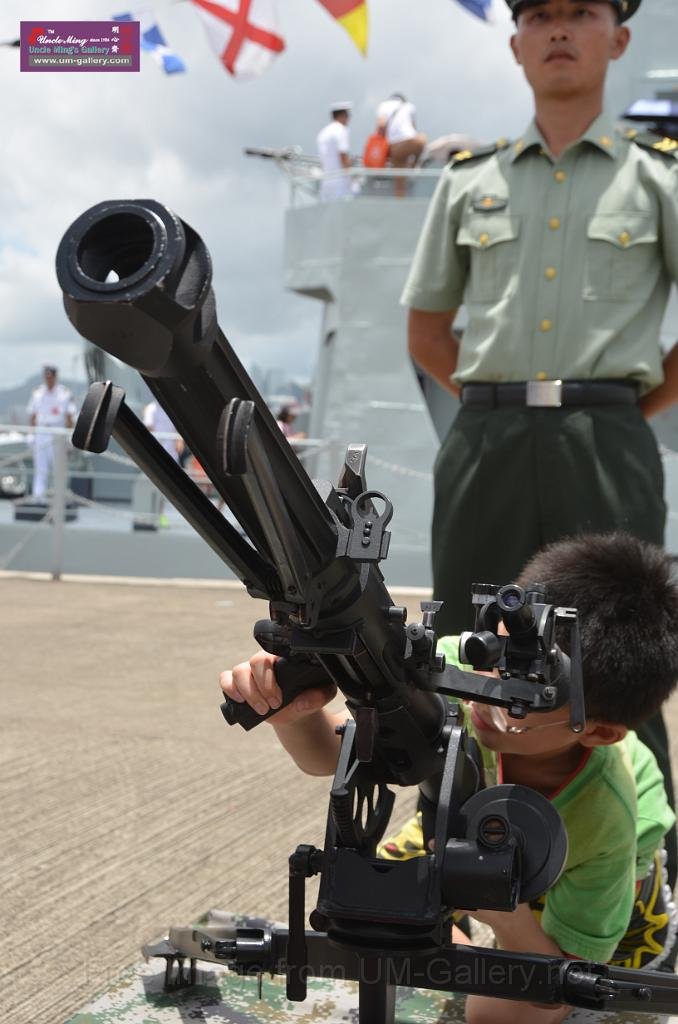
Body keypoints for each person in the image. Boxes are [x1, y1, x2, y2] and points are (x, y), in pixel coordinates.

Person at [400, 0, 678, 888]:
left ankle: (646, 869)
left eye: (582, 12)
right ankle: (444, 844)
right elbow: (428, 331)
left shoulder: (659, 179)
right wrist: (497, 405)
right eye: (541, 14)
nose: (561, 28)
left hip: (607, 433)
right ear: (517, 40)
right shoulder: (468, 180)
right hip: (488, 434)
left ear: (618, 37)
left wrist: (622, 409)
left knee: (624, 648)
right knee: (462, 637)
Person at [221, 532, 678, 1023]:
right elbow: (332, 752)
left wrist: (497, 913)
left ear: (599, 732)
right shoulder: (457, 664)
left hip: (599, 901)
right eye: (496, 657)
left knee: (496, 1016)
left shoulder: (607, 819)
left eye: (527, 690)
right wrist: (296, 714)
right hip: (464, 831)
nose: (486, 693)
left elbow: (556, 981)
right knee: (384, 917)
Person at [26, 365, 76, 501]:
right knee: (40, 467)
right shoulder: (37, 393)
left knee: (58, 467)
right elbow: (33, 415)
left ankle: (59, 497)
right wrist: (32, 433)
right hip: (41, 431)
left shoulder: (64, 393)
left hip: (57, 431)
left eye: (51, 377)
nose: (49, 380)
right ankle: (38, 497)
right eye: (46, 377)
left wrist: (69, 436)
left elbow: (69, 417)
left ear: (55, 377)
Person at [376, 92, 427, 196]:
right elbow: (414, 128)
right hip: (412, 142)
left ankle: (400, 200)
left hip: (395, 146)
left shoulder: (383, 106)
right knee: (422, 140)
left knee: (399, 182)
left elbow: (381, 126)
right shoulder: (409, 106)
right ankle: (413, 168)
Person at [316, 102, 353, 202]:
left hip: (326, 181)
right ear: (342, 115)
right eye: (347, 115)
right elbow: (343, 155)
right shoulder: (341, 130)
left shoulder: (323, 133)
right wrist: (352, 175)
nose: (348, 118)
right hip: (340, 181)